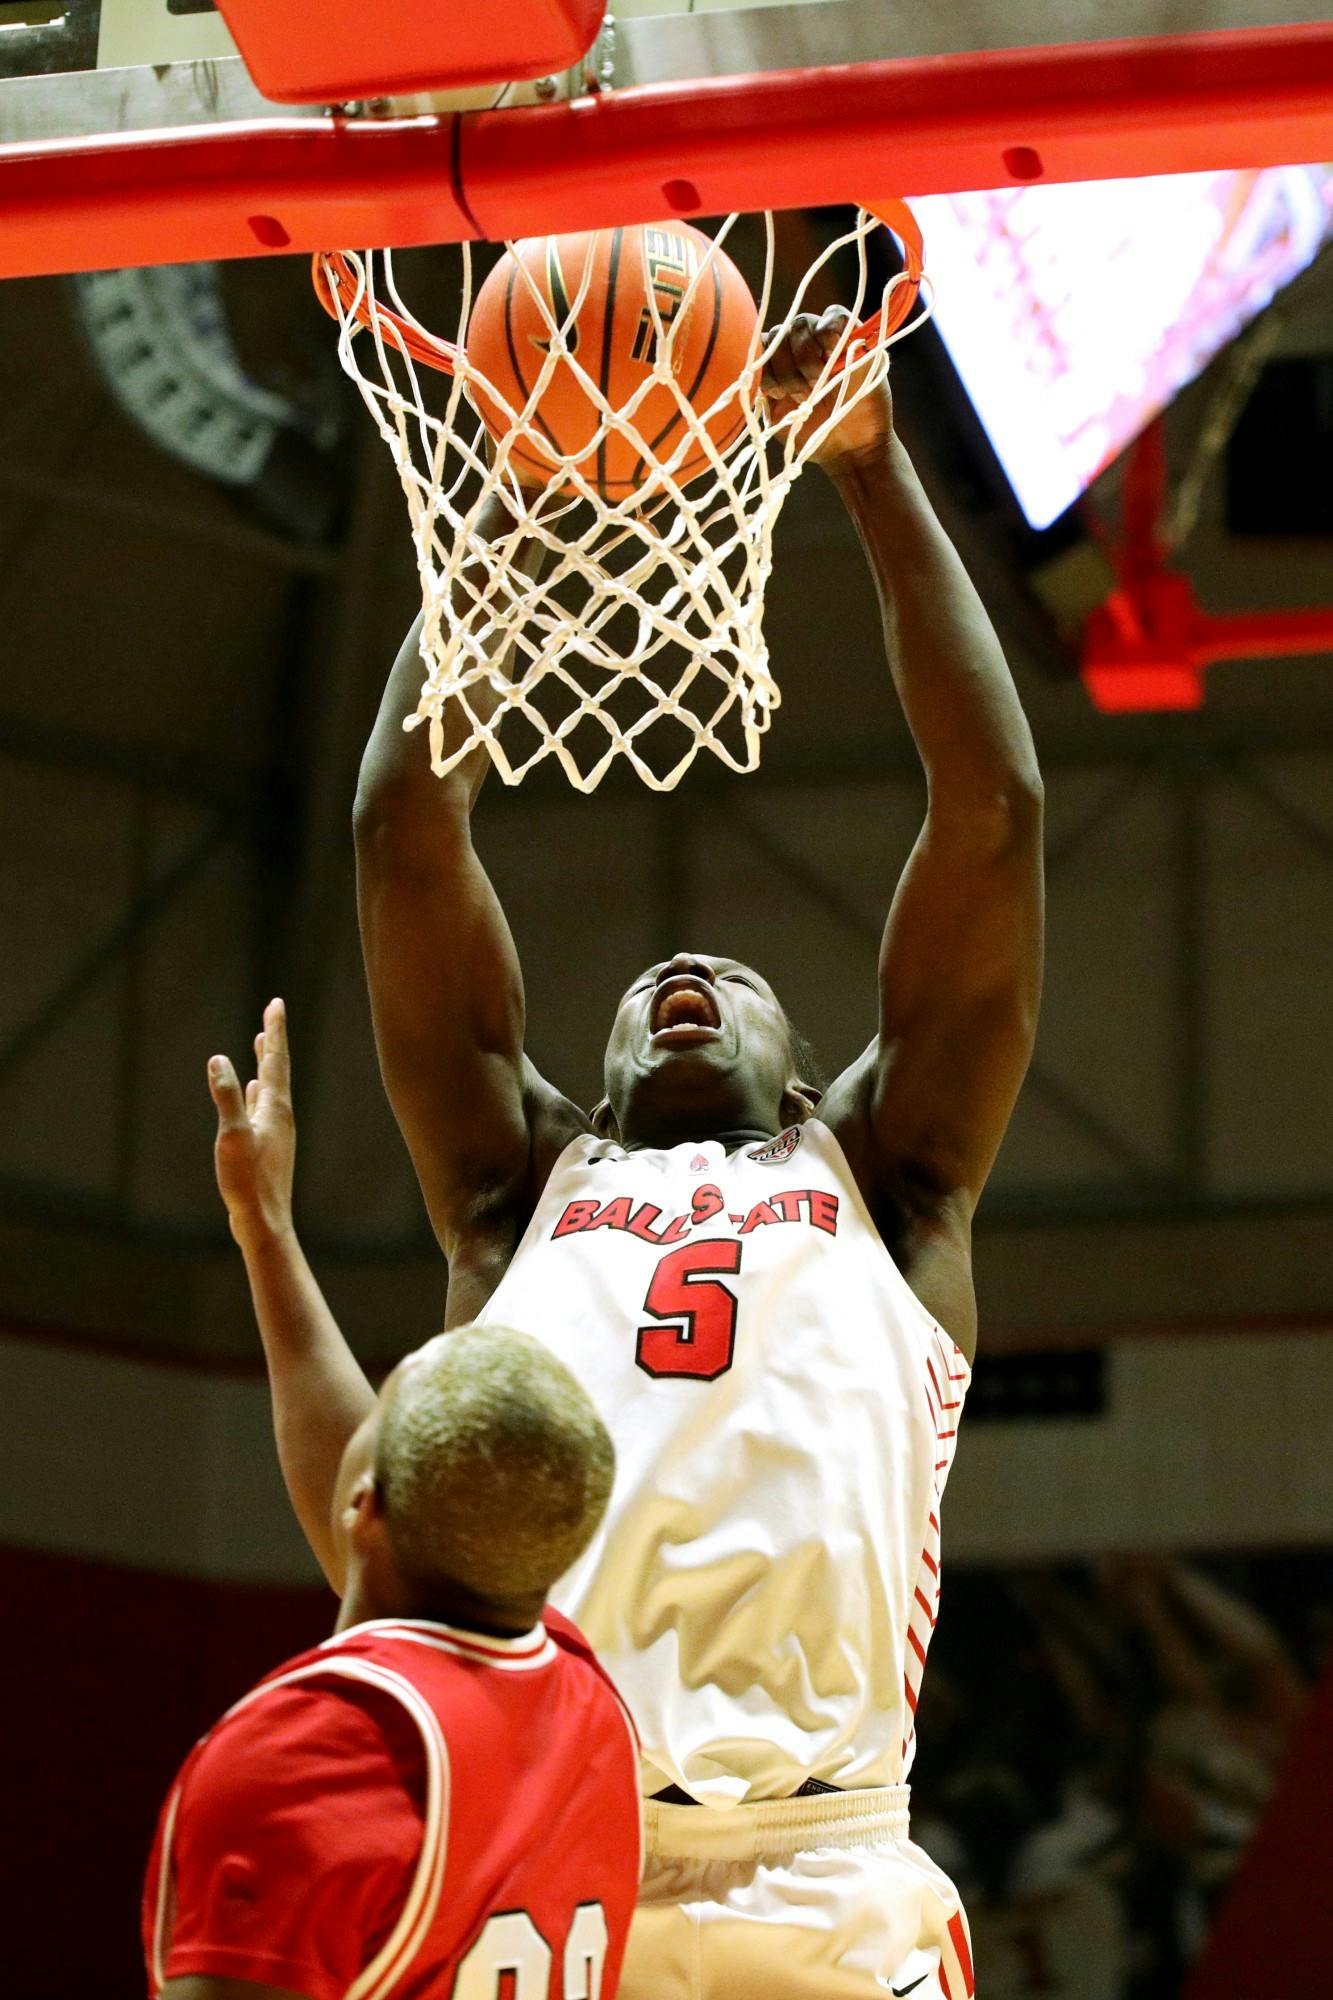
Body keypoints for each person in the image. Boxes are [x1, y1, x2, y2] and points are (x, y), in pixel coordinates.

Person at [263, 311, 1044, 1997]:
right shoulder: (510, 1193)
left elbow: (987, 813)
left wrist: (870, 464)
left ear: (804, 1062)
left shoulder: (888, 1182)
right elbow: (404, 827)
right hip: (555, 1837)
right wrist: (500, 517)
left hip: (819, 1858)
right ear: (586, 1073)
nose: (685, 981)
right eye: (651, 988)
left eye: (732, 982)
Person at [141, 1014, 641, 2000]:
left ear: (363, 1502)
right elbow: (407, 1497)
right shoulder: (590, 1708)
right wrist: (265, 1231)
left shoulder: (313, 1759)